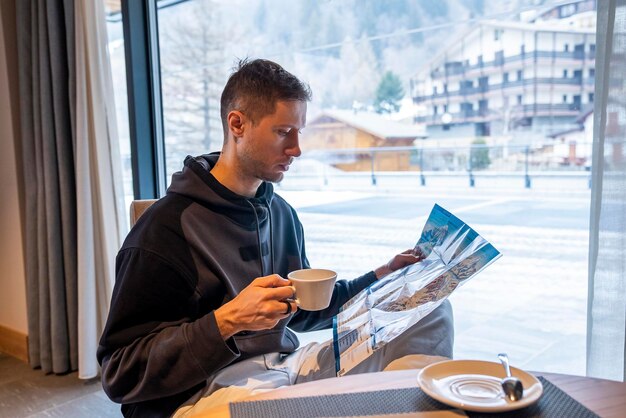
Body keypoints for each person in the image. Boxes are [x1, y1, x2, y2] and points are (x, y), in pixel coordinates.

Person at [97, 59, 453, 418]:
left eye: (299, 132)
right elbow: (119, 373)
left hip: (288, 368)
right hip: (207, 393)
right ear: (237, 124)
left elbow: (307, 311)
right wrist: (227, 321)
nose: (297, 148)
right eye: (284, 132)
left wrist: (382, 276)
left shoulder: (280, 213)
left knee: (429, 309)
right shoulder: (166, 229)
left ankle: (401, 408)